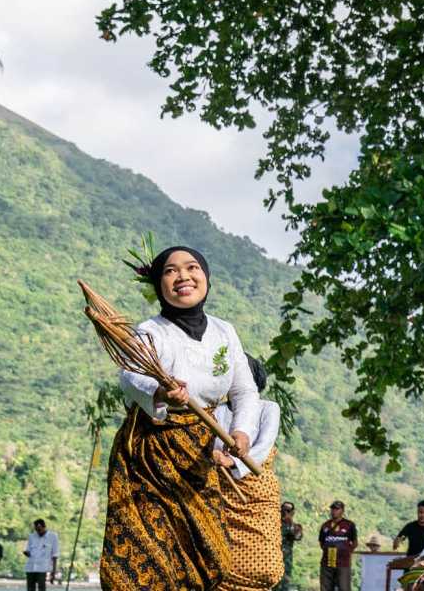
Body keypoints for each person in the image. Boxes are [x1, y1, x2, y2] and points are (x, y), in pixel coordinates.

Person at [102, 245, 262, 590]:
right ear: (159, 285)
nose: (183, 277)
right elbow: (131, 376)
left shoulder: (224, 331)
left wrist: (242, 432)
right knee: (152, 557)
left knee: (210, 556)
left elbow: (244, 391)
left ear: (206, 276)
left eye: (191, 268)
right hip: (150, 455)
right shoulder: (149, 331)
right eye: (170, 271)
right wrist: (160, 392)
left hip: (199, 454)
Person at [214, 356, 288, 591]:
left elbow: (263, 447)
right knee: (216, 560)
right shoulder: (214, 411)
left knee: (264, 564)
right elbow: (209, 445)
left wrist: (234, 461)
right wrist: (216, 456)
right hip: (221, 489)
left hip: (255, 488)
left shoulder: (268, 408)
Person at [317, 500, 358, 591]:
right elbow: (321, 542)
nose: (334, 511)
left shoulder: (349, 525)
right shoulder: (325, 525)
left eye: (337, 509)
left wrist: (347, 552)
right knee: (325, 588)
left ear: (342, 511)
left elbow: (355, 542)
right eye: (333, 509)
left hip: (343, 563)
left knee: (344, 588)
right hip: (327, 563)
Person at [25, 518, 59, 591]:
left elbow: (55, 555)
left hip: (43, 567)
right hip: (31, 566)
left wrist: (53, 571)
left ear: (44, 527)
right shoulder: (32, 536)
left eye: (39, 529)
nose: (38, 532)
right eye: (36, 530)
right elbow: (28, 551)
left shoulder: (53, 536)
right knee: (30, 588)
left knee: (41, 587)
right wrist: (27, 553)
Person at [279, 502, 304, 591]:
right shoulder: (273, 525)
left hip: (285, 561)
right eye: (283, 510)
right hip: (271, 560)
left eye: (288, 511)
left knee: (284, 586)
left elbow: (298, 536)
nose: (285, 513)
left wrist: (290, 523)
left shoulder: (295, 526)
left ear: (292, 512)